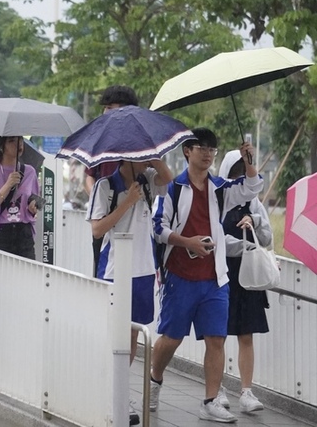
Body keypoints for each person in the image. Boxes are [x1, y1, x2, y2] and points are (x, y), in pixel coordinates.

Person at [150, 128, 263, 423]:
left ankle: (210, 400)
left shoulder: (220, 188)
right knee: (171, 338)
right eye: (201, 147)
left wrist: (249, 159)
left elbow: (251, 187)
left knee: (216, 339)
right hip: (180, 277)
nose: (208, 153)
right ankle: (154, 378)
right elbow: (158, 228)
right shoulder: (174, 188)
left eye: (212, 148)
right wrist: (187, 242)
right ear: (187, 151)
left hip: (215, 279)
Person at [86, 158, 172, 425]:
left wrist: (156, 159)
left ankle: (121, 392)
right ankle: (106, 392)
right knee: (113, 335)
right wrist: (127, 202)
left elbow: (168, 178)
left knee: (133, 337)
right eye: (142, 153)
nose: (146, 157)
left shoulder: (147, 178)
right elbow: (98, 228)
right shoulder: (105, 186)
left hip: (143, 269)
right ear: (127, 155)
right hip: (114, 269)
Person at [213, 150, 271, 413]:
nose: (238, 179)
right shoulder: (217, 200)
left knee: (246, 333)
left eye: (242, 172)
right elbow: (216, 241)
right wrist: (244, 245)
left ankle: (246, 391)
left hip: (248, 276)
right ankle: (217, 388)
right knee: (219, 334)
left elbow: (268, 238)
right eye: (234, 172)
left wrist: (255, 221)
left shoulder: (254, 202)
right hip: (223, 272)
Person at [85, 85, 140, 276]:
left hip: (132, 217)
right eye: (106, 108)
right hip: (105, 216)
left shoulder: (138, 143)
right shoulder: (98, 141)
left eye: (112, 108)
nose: (107, 112)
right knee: (103, 271)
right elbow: (89, 176)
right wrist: (97, 200)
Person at [0, 135, 40, 259]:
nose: (18, 144)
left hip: (23, 235)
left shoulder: (30, 172)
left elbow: (35, 201)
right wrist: (7, 186)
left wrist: (33, 208)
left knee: (27, 277)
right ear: (0, 145)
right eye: (12, 141)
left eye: (20, 140)